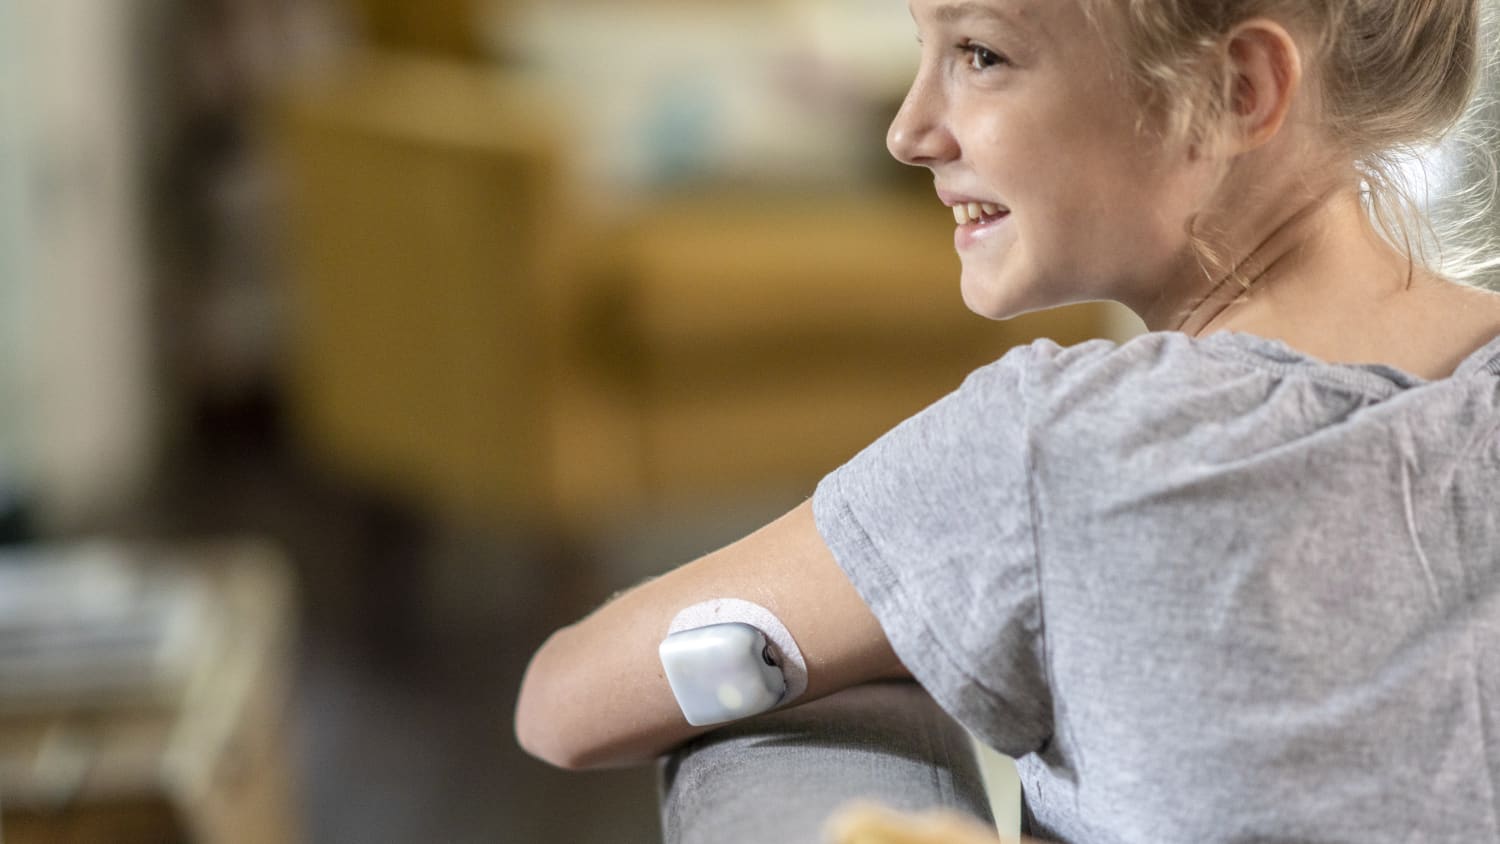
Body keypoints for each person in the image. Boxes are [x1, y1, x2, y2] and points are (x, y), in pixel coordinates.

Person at [516, 0, 1500, 840]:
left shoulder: (1066, 446)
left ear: (1238, 89)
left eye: (981, 56)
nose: (908, 132)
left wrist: (897, 611)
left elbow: (561, 702)